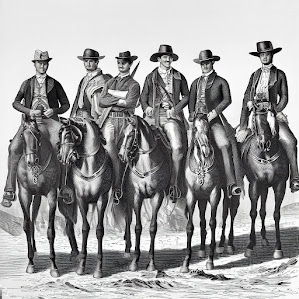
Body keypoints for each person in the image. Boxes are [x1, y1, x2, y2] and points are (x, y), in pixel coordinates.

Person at [2, 50, 70, 208]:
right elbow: (15, 103)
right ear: (35, 64)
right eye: (40, 63)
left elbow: (66, 105)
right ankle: (9, 190)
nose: (43, 66)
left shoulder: (55, 83)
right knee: (13, 148)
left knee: (63, 149)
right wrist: (28, 111)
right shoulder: (26, 83)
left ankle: (64, 186)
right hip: (30, 123)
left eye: (45, 63)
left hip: (50, 123)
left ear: (48, 64)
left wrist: (54, 110)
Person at [236, 41, 299, 193]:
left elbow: (284, 97)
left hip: (272, 115)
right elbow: (246, 99)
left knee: (290, 140)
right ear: (259, 57)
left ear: (271, 55)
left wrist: (276, 109)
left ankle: (295, 178)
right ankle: (238, 180)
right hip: (255, 116)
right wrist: (243, 126)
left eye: (267, 54)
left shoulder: (280, 74)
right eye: (262, 54)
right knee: (239, 142)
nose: (264, 57)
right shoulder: (255, 75)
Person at [188, 49, 242, 197]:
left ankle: (231, 183)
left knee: (224, 144)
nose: (205, 66)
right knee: (184, 147)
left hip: (213, 121)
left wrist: (215, 112)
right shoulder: (195, 83)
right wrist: (192, 116)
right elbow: (191, 103)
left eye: (207, 63)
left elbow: (227, 99)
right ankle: (181, 184)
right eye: (202, 64)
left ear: (212, 62)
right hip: (198, 123)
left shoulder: (220, 81)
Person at [140, 44, 189, 202]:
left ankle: (174, 183)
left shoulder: (179, 76)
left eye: (169, 57)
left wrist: (175, 109)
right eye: (164, 57)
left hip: (170, 118)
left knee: (177, 147)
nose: (167, 59)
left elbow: (186, 97)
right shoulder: (150, 77)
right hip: (152, 117)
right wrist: (146, 107)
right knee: (135, 141)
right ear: (159, 59)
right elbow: (143, 97)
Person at [94, 51, 140, 204]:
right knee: (109, 149)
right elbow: (101, 101)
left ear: (130, 64)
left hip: (126, 121)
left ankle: (130, 185)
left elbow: (131, 103)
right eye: (119, 62)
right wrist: (121, 96)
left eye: (124, 62)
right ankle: (115, 186)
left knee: (129, 153)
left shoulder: (134, 84)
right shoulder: (111, 81)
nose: (121, 65)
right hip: (111, 120)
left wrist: (112, 97)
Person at [70, 48, 112, 120]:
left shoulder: (104, 79)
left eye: (91, 61)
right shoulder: (84, 79)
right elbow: (77, 99)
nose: (88, 64)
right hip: (79, 115)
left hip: (94, 117)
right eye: (86, 61)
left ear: (97, 62)